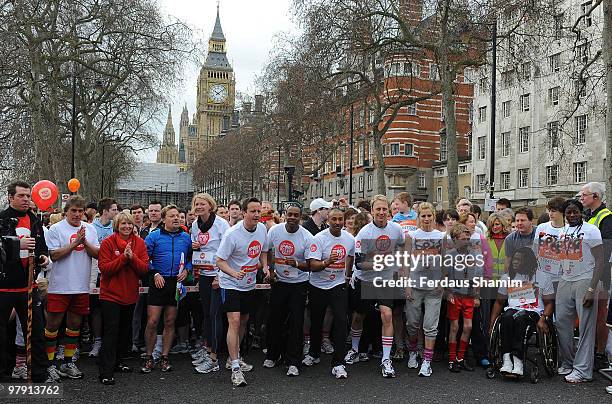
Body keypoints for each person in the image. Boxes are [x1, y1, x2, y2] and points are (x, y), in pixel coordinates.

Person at [0, 181, 52, 383]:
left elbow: (42, 248)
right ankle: (4, 373)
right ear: (10, 197)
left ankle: (39, 373)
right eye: (21, 196)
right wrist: (15, 243)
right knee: (3, 332)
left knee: (37, 331)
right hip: (4, 286)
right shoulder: (2, 219)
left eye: (28, 196)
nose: (25, 199)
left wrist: (43, 257)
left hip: (28, 285)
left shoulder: (34, 220)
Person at [348, 195, 405, 378]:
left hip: (385, 280)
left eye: (384, 209)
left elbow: (402, 247)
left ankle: (386, 359)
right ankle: (355, 349)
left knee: (387, 315)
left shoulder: (396, 229)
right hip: (365, 280)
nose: (381, 212)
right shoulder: (365, 233)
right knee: (358, 317)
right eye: (377, 209)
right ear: (372, 211)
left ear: (388, 211)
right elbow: (359, 264)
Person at [45, 195, 100, 379]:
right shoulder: (56, 228)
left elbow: (97, 254)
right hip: (59, 286)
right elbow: (54, 255)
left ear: (84, 212)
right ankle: (49, 364)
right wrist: (75, 243)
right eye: (73, 211)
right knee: (53, 325)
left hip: (80, 286)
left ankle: (68, 362)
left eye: (80, 211)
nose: (77, 214)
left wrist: (85, 243)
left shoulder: (90, 229)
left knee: (74, 325)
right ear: (66, 212)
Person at [217, 197, 270, 387]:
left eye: (259, 211)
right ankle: (236, 368)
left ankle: (234, 357)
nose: (257, 214)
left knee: (244, 321)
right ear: (244, 213)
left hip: (248, 284)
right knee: (235, 320)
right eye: (253, 211)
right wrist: (234, 272)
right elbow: (219, 260)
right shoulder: (232, 234)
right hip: (230, 282)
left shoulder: (262, 229)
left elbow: (263, 251)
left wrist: (265, 267)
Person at [556, 199, 604, 383]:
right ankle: (568, 362)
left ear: (581, 212)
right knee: (561, 322)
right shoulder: (562, 232)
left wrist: (592, 288)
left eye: (575, 211)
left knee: (585, 326)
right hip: (565, 279)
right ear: (564, 214)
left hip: (586, 280)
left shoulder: (592, 230)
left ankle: (583, 370)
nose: (572, 215)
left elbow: (600, 261)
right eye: (568, 212)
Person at [97, 212, 149, 385]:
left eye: (129, 224)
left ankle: (118, 361)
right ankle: (105, 370)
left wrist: (132, 257)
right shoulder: (108, 243)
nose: (127, 227)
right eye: (123, 224)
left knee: (124, 332)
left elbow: (144, 269)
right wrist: (122, 258)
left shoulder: (139, 243)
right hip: (110, 295)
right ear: (117, 226)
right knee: (111, 332)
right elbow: (105, 269)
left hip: (130, 295)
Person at [303, 207, 355, 379]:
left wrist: (347, 276)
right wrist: (327, 262)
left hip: (338, 285)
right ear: (328, 221)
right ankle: (314, 353)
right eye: (334, 219)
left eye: (340, 219)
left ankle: (338, 363)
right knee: (316, 321)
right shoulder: (319, 239)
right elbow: (312, 266)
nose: (338, 222)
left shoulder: (349, 238)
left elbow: (351, 256)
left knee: (340, 321)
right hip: (318, 285)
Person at [141, 205, 192, 374]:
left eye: (178, 216)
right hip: (158, 282)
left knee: (170, 321)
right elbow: (144, 258)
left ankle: (164, 357)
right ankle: (149, 357)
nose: (176, 218)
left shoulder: (186, 237)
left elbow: (191, 258)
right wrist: (154, 273)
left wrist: (187, 270)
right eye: (172, 216)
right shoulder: (153, 236)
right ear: (164, 219)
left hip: (175, 283)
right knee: (153, 321)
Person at [264, 205, 314, 377]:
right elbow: (268, 252)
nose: (292, 217)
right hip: (279, 282)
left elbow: (310, 264)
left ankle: (294, 361)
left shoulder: (306, 236)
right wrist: (270, 272)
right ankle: (273, 355)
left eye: (296, 215)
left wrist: (297, 264)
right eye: (290, 214)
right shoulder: (275, 231)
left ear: (301, 218)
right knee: (274, 319)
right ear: (285, 215)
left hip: (299, 283)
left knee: (296, 322)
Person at [489, 247, 555, 376]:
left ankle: (518, 361)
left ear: (527, 261)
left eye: (519, 260)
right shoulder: (507, 277)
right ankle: (507, 359)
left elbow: (549, 304)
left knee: (521, 319)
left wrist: (543, 319)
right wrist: (491, 325)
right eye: (514, 259)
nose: (514, 262)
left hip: (533, 312)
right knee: (507, 318)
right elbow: (499, 302)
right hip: (512, 310)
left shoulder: (543, 277)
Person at [190, 193, 229, 375]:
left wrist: (219, 276)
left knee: (214, 315)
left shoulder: (221, 224)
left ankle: (214, 358)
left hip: (218, 274)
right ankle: (207, 349)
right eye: (196, 204)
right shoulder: (194, 224)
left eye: (202, 204)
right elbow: (195, 246)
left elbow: (227, 250)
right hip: (203, 274)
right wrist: (195, 246)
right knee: (206, 314)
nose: (199, 207)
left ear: (210, 205)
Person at [405, 202, 445, 377]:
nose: (427, 219)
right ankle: (413, 351)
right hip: (414, 285)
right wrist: (406, 284)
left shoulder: (442, 236)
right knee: (412, 324)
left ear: (434, 216)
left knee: (430, 326)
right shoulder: (411, 236)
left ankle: (427, 361)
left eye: (429, 215)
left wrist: (443, 281)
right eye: (423, 216)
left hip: (434, 288)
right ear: (418, 217)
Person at [579, 182, 612, 370]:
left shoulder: (606, 217)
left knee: (600, 313)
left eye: (584, 195)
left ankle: (600, 353)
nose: (581, 198)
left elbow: (606, 249)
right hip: (584, 270)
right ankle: (591, 349)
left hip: (600, 273)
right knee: (589, 312)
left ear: (595, 197)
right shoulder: (588, 216)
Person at [446, 223, 482, 372]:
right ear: (455, 239)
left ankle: (461, 357)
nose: (466, 241)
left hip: (469, 295)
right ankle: (452, 359)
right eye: (463, 239)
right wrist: (448, 293)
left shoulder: (475, 254)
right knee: (454, 327)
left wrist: (477, 296)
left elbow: (477, 277)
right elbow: (446, 276)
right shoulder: (450, 255)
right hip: (455, 294)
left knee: (468, 326)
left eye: (468, 238)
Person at [90, 198, 119, 358]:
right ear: (105, 211)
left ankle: (110, 342)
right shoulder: (91, 227)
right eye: (114, 210)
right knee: (95, 309)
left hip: (113, 273)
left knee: (110, 309)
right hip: (95, 273)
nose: (117, 213)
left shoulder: (117, 227)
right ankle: (97, 340)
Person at [503, 207, 536, 273]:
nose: (519, 223)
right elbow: (508, 262)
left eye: (523, 220)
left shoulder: (540, 234)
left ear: (531, 221)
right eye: (517, 220)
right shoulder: (510, 239)